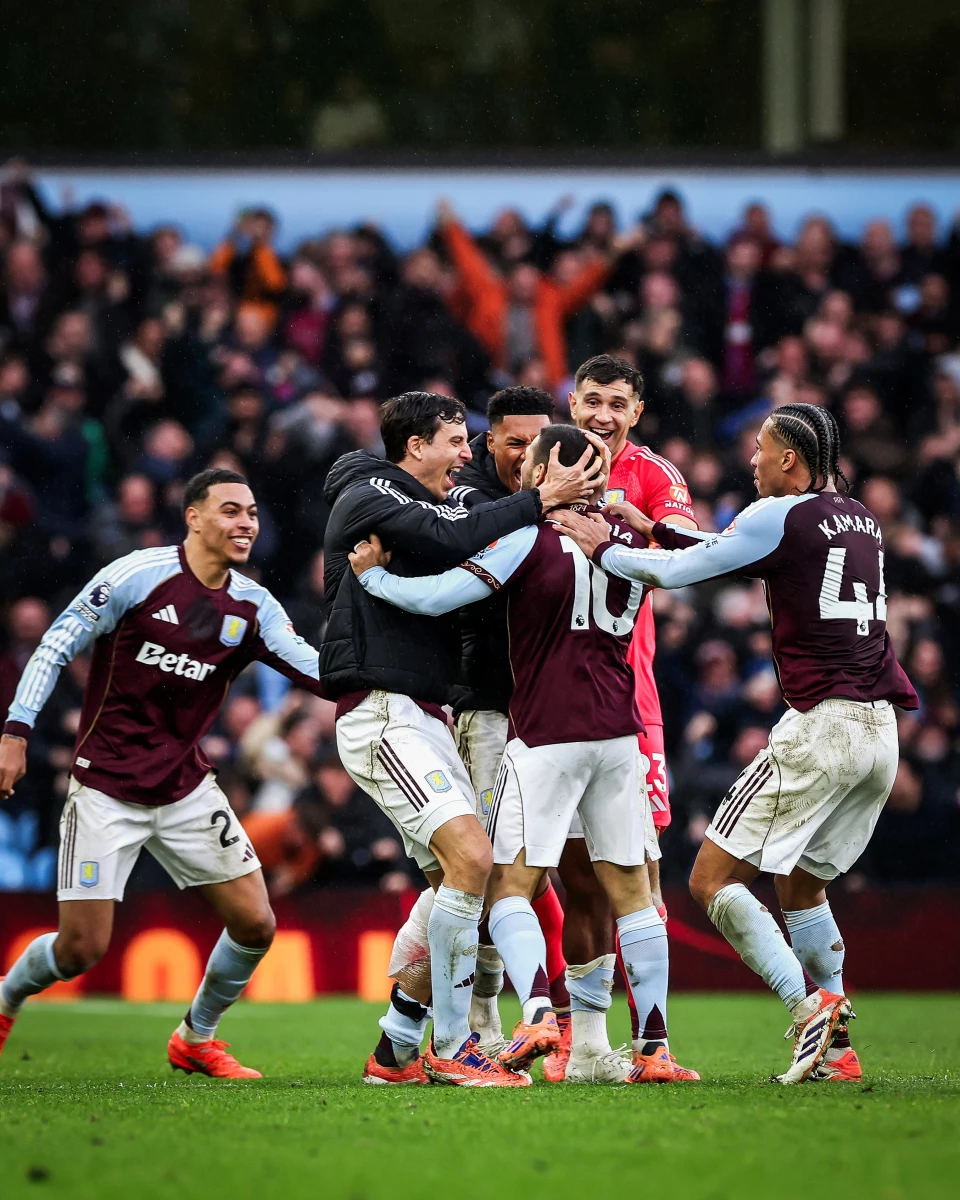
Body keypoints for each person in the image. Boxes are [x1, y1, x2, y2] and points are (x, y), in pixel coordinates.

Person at [551, 403, 919, 1084]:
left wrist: (599, 544)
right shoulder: (861, 517)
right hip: (880, 731)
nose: (750, 461)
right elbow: (731, 551)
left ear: (789, 460)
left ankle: (808, 1008)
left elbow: (673, 576)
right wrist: (652, 526)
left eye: (761, 449)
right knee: (801, 885)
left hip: (822, 726)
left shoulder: (778, 514)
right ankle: (837, 1052)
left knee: (710, 880)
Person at [350, 425, 682, 1085]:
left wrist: (377, 580)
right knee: (633, 893)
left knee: (508, 885)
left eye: (530, 462)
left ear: (546, 473)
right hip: (619, 737)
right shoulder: (627, 543)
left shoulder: (526, 540)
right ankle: (653, 1049)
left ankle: (534, 1012)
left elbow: (441, 596)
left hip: (545, 736)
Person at [0, 468, 327, 1079]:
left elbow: (318, 670)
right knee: (81, 950)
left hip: (184, 786)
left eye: (252, 513)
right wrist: (16, 732)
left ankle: (196, 1037)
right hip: (105, 787)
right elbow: (53, 646)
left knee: (257, 921)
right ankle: (5, 997)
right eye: (231, 511)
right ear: (194, 517)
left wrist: (396, 673)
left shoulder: (253, 606)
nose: (246, 524)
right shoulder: (135, 577)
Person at [320, 391, 602, 1087]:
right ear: (415, 446)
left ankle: (395, 1048)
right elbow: (452, 535)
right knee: (474, 861)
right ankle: (456, 1045)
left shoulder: (436, 505)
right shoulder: (369, 493)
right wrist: (539, 501)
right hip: (385, 711)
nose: (465, 455)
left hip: (426, 714)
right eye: (455, 440)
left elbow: (462, 530)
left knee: (457, 884)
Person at [567, 353, 700, 1081]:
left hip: (628, 705)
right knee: (573, 880)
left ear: (636, 412)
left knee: (639, 874)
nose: (602, 415)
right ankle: (584, 1046)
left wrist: (635, 529)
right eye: (592, 400)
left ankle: (652, 1046)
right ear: (572, 400)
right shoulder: (546, 463)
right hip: (545, 706)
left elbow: (687, 549)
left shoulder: (652, 473)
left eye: (617, 403)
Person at [447, 385, 570, 1055]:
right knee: (492, 865)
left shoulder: (554, 494)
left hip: (548, 709)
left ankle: (505, 1009)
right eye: (514, 442)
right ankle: (481, 1014)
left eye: (538, 442)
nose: (528, 455)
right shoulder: (467, 496)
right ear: (488, 443)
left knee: (528, 868)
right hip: (487, 704)